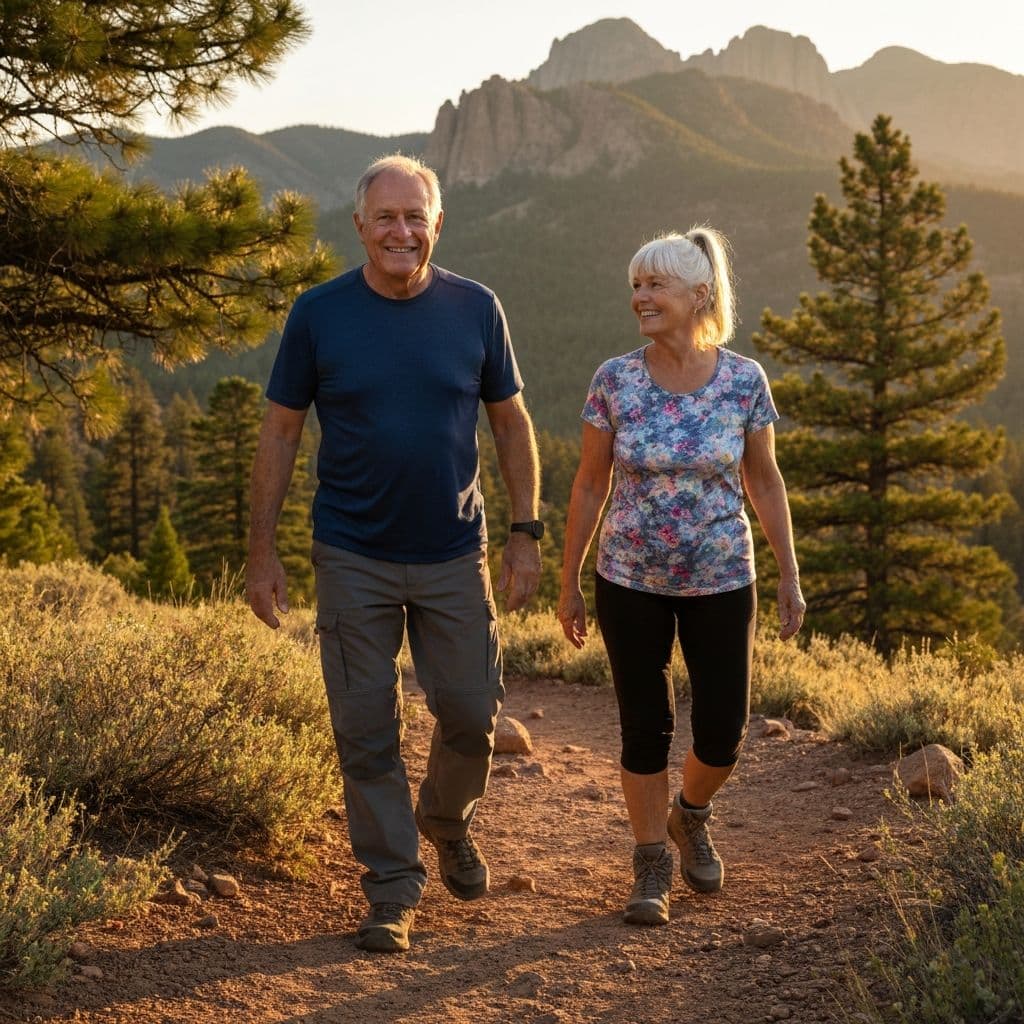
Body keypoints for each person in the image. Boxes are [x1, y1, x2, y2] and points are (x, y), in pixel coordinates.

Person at [246, 154, 543, 954]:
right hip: (351, 553)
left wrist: (526, 532)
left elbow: (511, 425)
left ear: (438, 224)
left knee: (472, 713)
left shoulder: (477, 308)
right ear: (360, 227)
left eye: (416, 217)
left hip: (454, 550)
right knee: (365, 728)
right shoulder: (319, 314)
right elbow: (280, 431)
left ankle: (444, 821)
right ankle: (393, 885)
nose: (401, 231)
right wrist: (261, 552)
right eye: (387, 218)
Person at [557, 228, 805, 926]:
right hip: (629, 577)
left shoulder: (743, 381)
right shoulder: (615, 380)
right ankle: (649, 862)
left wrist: (789, 573)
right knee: (645, 725)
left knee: (725, 727)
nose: (640, 297)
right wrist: (569, 579)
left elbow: (765, 481)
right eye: (635, 285)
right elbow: (586, 485)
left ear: (699, 295)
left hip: (724, 577)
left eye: (654, 285)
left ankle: (689, 814)